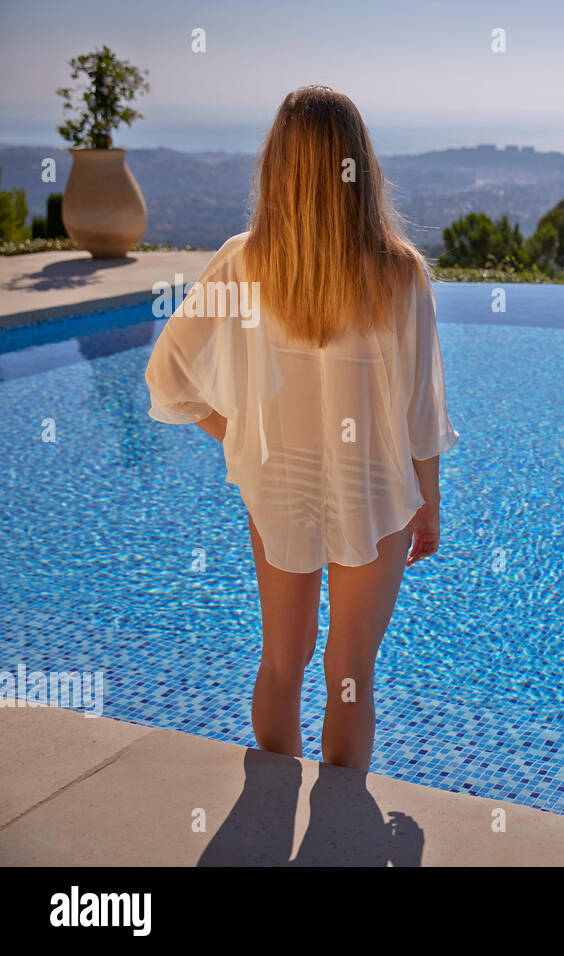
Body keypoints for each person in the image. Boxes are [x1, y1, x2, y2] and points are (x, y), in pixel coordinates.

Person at [145, 85, 457, 772]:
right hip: (376, 492)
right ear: (360, 166)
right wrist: (429, 503)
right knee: (351, 672)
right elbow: (422, 415)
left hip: (278, 482)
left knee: (284, 660)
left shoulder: (243, 261)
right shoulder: (400, 273)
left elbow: (167, 375)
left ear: (278, 166)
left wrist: (241, 435)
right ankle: (340, 832)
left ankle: (271, 806)